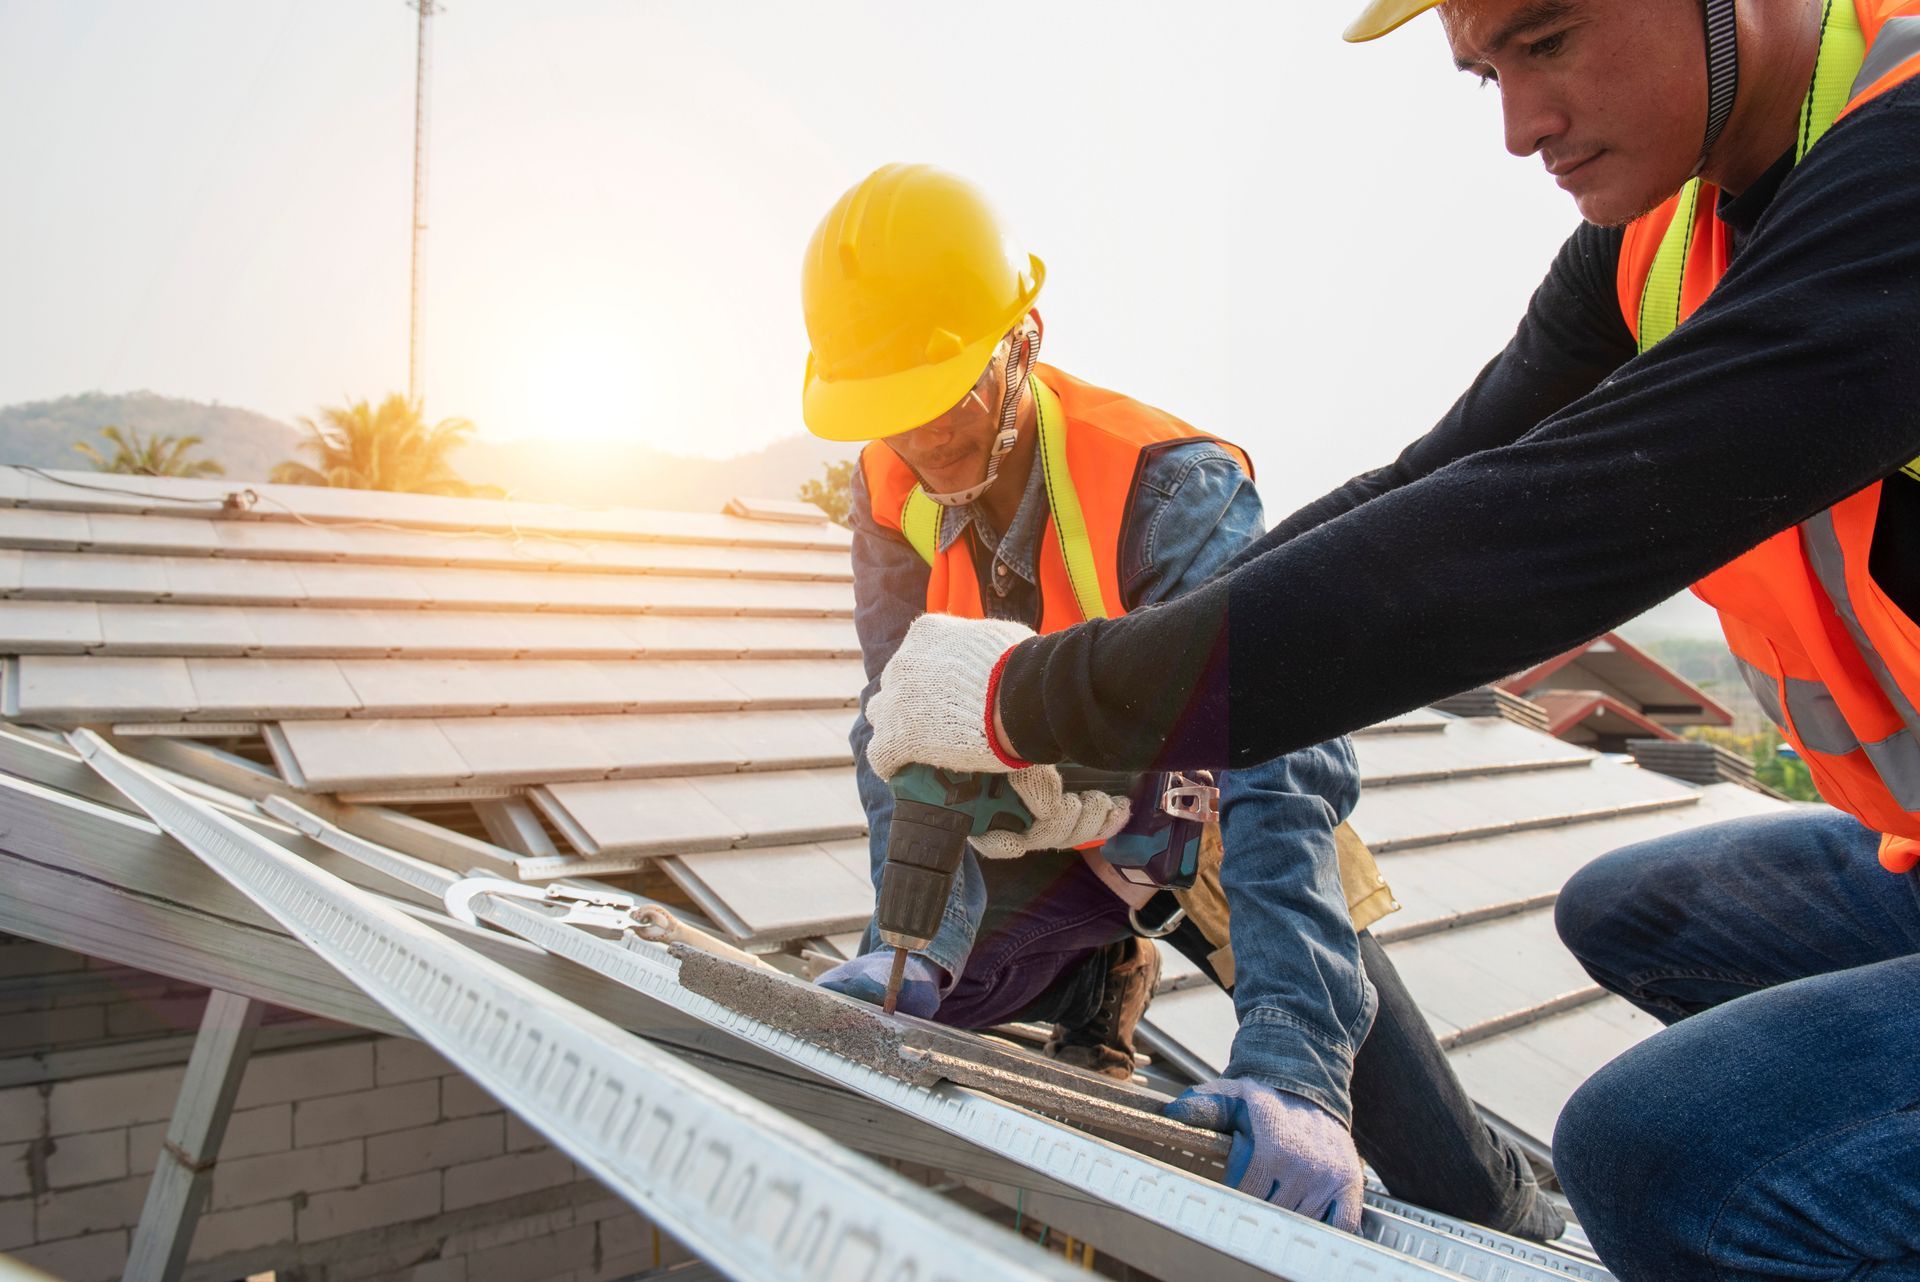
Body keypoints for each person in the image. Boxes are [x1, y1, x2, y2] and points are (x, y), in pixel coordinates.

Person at [858, 2, 1920, 1276]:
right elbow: (1440, 482)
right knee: (1628, 915)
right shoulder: (1658, 237)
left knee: (1653, 1158)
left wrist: (1031, 701)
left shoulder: (1900, 159)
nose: (1522, 127)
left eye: (1550, 39)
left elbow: (1529, 540)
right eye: (1486, 76)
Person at [800, 163, 1560, 1237]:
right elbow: (902, 722)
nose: (922, 441)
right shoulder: (892, 492)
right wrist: (909, 937)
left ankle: (1508, 1205)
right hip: (1057, 837)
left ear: (1023, 340)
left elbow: (1281, 764)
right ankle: (1084, 977)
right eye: (889, 413)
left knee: (1449, 1182)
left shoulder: (1168, 487)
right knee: (920, 1011)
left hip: (1220, 830)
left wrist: (1297, 1066)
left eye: (944, 396)